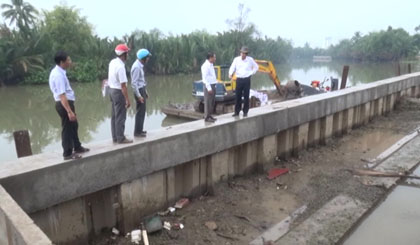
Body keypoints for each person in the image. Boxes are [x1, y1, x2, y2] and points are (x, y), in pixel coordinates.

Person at [49, 51, 89, 160]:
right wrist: (69, 111)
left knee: (74, 125)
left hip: (66, 103)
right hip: (64, 104)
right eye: (68, 60)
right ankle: (67, 153)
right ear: (62, 62)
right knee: (67, 128)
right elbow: (62, 95)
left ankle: (77, 146)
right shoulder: (58, 75)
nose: (70, 62)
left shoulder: (60, 72)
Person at [108, 44, 133, 144]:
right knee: (120, 116)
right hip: (118, 92)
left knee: (114, 115)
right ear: (123, 54)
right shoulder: (120, 67)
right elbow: (123, 86)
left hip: (111, 90)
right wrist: (127, 100)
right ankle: (121, 138)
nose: (128, 55)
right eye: (127, 53)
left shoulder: (112, 62)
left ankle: (115, 137)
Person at [228, 46, 259, 117]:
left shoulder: (250, 60)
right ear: (240, 53)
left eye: (244, 53)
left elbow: (256, 67)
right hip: (239, 80)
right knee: (237, 96)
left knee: (246, 96)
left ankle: (245, 111)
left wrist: (251, 73)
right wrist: (230, 74)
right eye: (242, 53)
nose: (243, 55)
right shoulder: (236, 60)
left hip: (246, 80)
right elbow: (232, 67)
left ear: (246, 54)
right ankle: (237, 112)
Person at [131, 48, 152, 137]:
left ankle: (140, 130)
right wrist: (139, 95)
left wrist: (145, 91)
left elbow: (141, 81)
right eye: (147, 57)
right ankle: (137, 132)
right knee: (140, 112)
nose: (148, 59)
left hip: (141, 89)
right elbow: (134, 83)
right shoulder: (136, 67)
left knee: (142, 111)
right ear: (143, 58)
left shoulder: (139, 66)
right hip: (138, 91)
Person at [201, 52, 218, 122]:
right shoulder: (205, 66)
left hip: (213, 85)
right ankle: (207, 117)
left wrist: (215, 84)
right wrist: (209, 88)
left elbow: (212, 76)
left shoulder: (211, 65)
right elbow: (205, 78)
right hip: (209, 86)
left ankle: (210, 115)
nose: (215, 59)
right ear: (210, 58)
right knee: (208, 102)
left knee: (212, 102)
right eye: (214, 57)